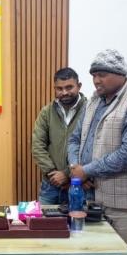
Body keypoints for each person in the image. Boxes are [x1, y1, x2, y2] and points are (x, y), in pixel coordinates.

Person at [67, 49, 127, 255]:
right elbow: (75, 139)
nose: (96, 80)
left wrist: (87, 170)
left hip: (121, 202)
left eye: (102, 75)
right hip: (88, 196)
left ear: (120, 74)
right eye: (93, 75)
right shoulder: (94, 101)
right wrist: (76, 167)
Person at [31, 67, 88, 205]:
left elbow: (91, 148)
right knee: (45, 219)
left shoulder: (90, 110)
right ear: (54, 88)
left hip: (79, 184)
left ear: (79, 86)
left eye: (69, 87)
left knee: (78, 219)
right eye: (59, 88)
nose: (64, 92)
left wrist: (67, 174)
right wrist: (53, 173)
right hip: (51, 184)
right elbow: (37, 145)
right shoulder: (46, 112)